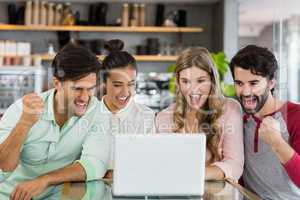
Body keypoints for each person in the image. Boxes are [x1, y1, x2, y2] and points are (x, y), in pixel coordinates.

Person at [0, 43, 110, 200]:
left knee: (96, 188)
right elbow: (2, 168)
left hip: (58, 195)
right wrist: (24, 124)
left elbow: (95, 165)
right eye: (77, 89)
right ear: (57, 83)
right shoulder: (21, 109)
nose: (85, 98)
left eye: (90, 89)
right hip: (11, 196)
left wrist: (45, 180)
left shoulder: (97, 112)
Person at [155, 47, 244, 181]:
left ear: (212, 80)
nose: (192, 89)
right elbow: (159, 165)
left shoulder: (230, 109)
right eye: (185, 81)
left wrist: (193, 175)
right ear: (178, 82)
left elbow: (235, 166)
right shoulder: (164, 117)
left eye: (201, 81)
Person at [230, 45, 300, 199]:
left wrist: (276, 142)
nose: (246, 92)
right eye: (239, 83)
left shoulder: (296, 116)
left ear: (271, 83)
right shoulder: (239, 122)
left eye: (254, 83)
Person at [98, 39, 155, 169]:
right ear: (104, 82)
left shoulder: (147, 116)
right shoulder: (89, 114)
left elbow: (150, 163)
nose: (125, 92)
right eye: (118, 85)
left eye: (131, 84)